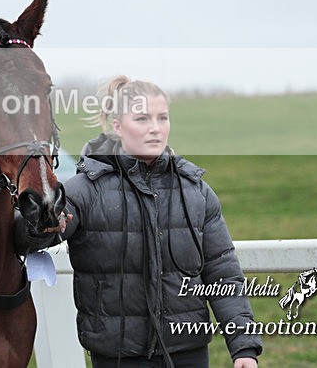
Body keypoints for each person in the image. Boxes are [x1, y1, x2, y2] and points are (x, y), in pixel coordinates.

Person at [17, 76, 262, 367]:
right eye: (143, 118)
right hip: (118, 356)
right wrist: (41, 220)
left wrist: (243, 346)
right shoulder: (84, 190)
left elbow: (222, 273)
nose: (155, 128)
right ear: (117, 125)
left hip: (189, 352)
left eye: (162, 118)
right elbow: (25, 237)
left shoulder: (196, 192)